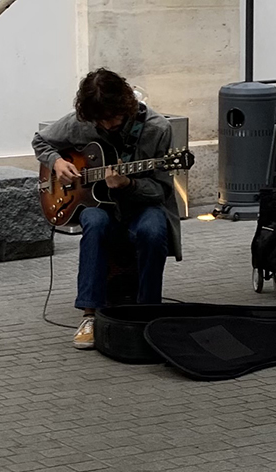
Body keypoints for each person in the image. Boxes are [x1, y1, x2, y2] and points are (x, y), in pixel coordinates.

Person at [32, 68, 182, 349]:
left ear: (126, 105)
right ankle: (90, 315)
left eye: (113, 117)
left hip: (141, 204)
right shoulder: (83, 122)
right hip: (96, 204)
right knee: (95, 222)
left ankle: (147, 312)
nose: (107, 125)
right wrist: (56, 162)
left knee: (153, 229)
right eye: (100, 120)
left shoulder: (157, 128)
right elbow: (41, 140)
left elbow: (162, 191)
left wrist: (128, 184)